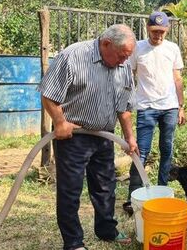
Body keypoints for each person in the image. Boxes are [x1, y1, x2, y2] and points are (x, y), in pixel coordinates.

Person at [38, 24, 138, 250]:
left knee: (105, 187)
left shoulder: (123, 66)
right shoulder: (73, 56)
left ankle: (107, 230)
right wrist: (60, 122)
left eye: (127, 57)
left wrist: (129, 137)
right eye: (121, 56)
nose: (123, 62)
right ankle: (73, 243)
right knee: (70, 190)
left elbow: (124, 108)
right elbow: (48, 94)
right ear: (106, 44)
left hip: (105, 136)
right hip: (74, 137)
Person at [123, 11, 186, 214]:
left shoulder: (172, 48)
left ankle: (162, 190)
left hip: (169, 107)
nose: (158, 35)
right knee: (140, 152)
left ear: (167, 30)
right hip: (146, 107)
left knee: (167, 149)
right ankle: (134, 196)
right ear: (147, 28)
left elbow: (177, 78)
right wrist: (128, 98)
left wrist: (181, 106)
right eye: (154, 31)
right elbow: (129, 74)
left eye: (162, 31)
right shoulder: (138, 48)